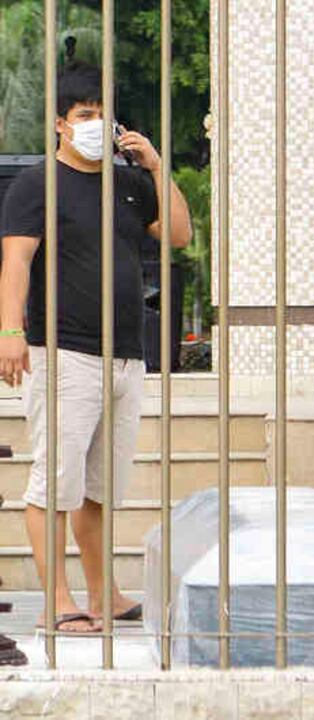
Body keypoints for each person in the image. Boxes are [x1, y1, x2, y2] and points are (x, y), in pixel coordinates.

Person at [0, 57, 193, 634]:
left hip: (126, 356)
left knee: (98, 489)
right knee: (54, 484)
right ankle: (58, 603)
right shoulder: (38, 184)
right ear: (60, 123)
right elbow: (16, 263)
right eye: (85, 114)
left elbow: (178, 234)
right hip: (65, 353)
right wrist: (10, 333)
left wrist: (155, 166)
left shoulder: (128, 184)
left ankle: (103, 593)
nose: (96, 124)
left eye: (104, 114)